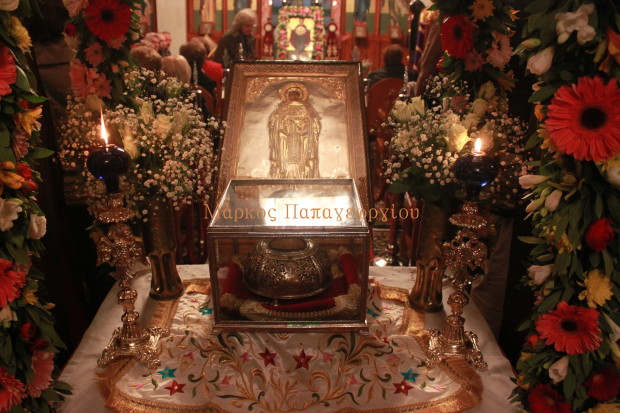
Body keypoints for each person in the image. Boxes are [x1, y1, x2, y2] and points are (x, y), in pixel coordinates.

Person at [267, 83, 321, 179]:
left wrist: (300, 123)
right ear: (287, 96)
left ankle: (302, 174)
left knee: (301, 156)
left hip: (301, 136)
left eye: (296, 94)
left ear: (300, 96)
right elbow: (274, 121)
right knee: (285, 154)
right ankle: (284, 174)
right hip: (285, 136)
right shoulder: (281, 108)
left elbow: (313, 121)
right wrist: (284, 123)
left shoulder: (306, 108)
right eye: (291, 94)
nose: (294, 96)